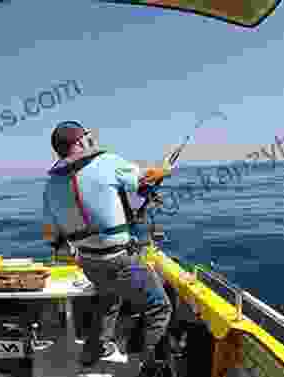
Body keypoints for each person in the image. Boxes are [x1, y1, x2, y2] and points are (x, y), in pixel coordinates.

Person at [42, 120, 173, 377]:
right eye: (88, 136)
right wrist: (164, 170)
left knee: (109, 299)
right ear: (80, 142)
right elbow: (145, 180)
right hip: (122, 260)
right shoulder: (108, 162)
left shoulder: (50, 186)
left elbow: (51, 235)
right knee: (159, 307)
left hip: (88, 262)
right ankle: (141, 365)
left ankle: (91, 353)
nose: (92, 140)